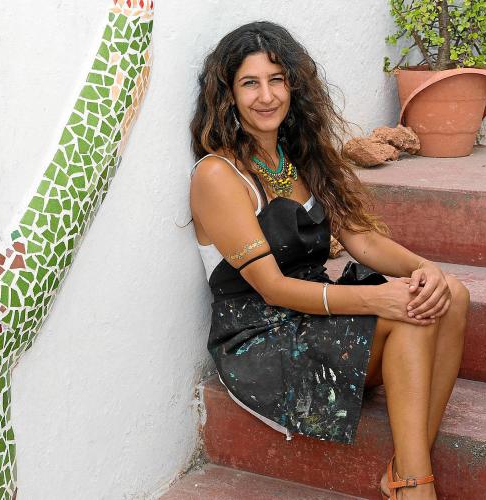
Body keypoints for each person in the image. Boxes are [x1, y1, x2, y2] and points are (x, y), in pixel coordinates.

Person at [188, 21, 469, 500]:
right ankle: (417, 486)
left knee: (451, 295)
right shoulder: (219, 174)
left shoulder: (299, 157)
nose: (266, 96)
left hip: (315, 313)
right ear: (228, 95)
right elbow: (273, 288)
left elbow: (362, 241)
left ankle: (406, 470)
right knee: (410, 312)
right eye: (250, 83)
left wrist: (426, 269)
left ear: (294, 85)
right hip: (262, 337)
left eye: (277, 80)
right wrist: (378, 299)